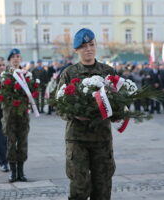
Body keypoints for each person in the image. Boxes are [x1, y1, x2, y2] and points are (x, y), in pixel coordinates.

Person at [57, 28, 116, 200]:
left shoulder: (108, 72)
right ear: (76, 50)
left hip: (102, 138)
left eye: (91, 44)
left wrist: (117, 113)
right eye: (83, 46)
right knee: (79, 187)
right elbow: (59, 106)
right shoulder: (69, 74)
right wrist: (74, 115)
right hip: (77, 139)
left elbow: (120, 101)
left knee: (103, 187)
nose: (88, 49)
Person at [2, 48, 29, 182]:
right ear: (9, 60)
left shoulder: (26, 75)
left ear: (20, 59)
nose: (15, 59)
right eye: (13, 57)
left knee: (23, 142)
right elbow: (1, 96)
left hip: (23, 114)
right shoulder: (5, 75)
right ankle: (13, 172)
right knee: (11, 143)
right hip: (10, 115)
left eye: (18, 56)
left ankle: (21, 171)